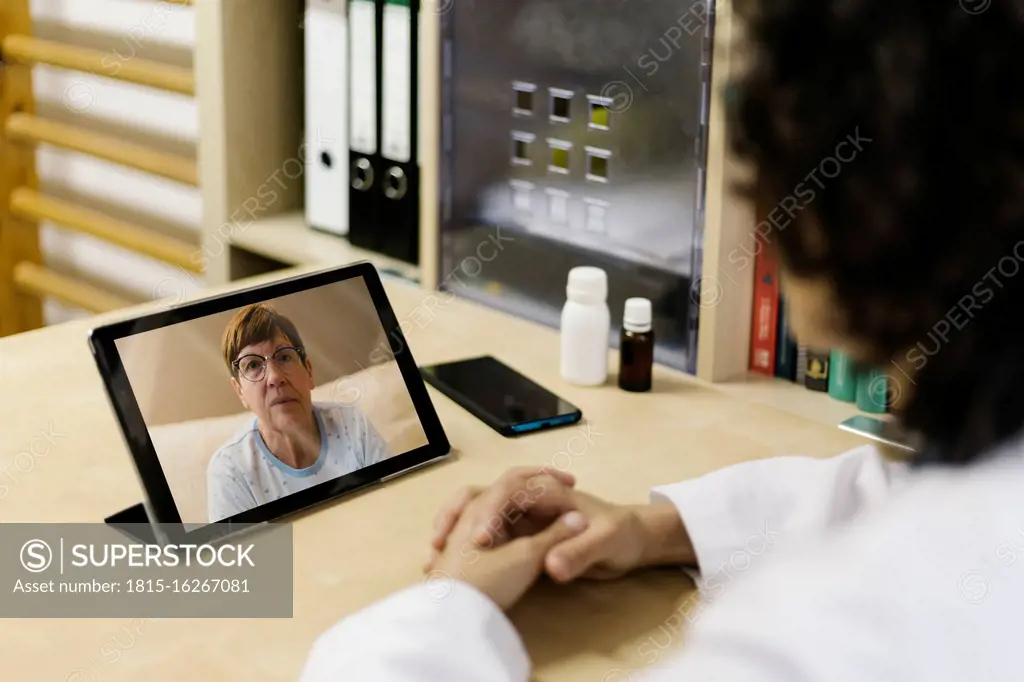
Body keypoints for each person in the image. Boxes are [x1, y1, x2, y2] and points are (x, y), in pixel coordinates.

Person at [299, 2, 1024, 680]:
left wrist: (451, 599)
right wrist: (654, 528)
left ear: (841, 215)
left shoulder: (816, 642)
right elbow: (896, 495)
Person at [206, 303, 390, 522]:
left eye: (284, 357)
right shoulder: (230, 470)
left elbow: (393, 509)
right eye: (253, 365)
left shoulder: (352, 424)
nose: (275, 378)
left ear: (309, 371)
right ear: (240, 393)